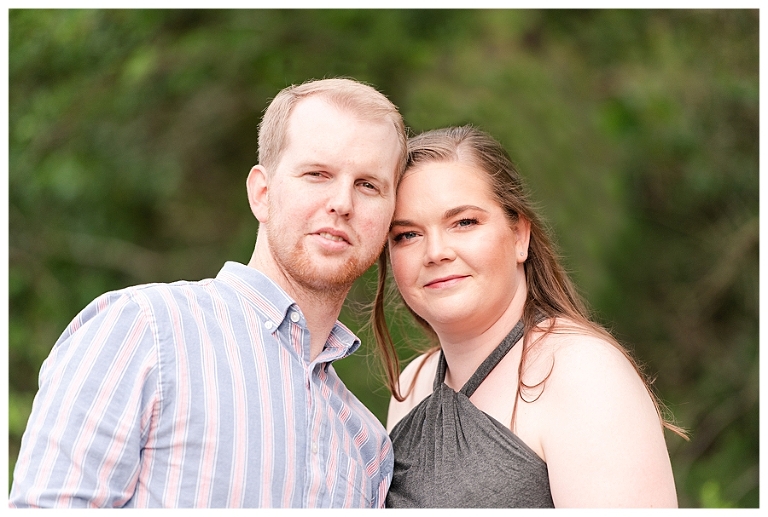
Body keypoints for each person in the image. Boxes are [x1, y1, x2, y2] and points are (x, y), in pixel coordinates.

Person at [10, 78, 407, 508]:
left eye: (368, 185)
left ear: (390, 215)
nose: (342, 202)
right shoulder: (143, 331)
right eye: (317, 174)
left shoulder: (367, 448)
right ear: (262, 192)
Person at [370, 125, 687, 508]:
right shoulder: (412, 384)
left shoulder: (580, 372)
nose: (436, 251)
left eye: (464, 222)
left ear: (519, 234)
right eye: (407, 235)